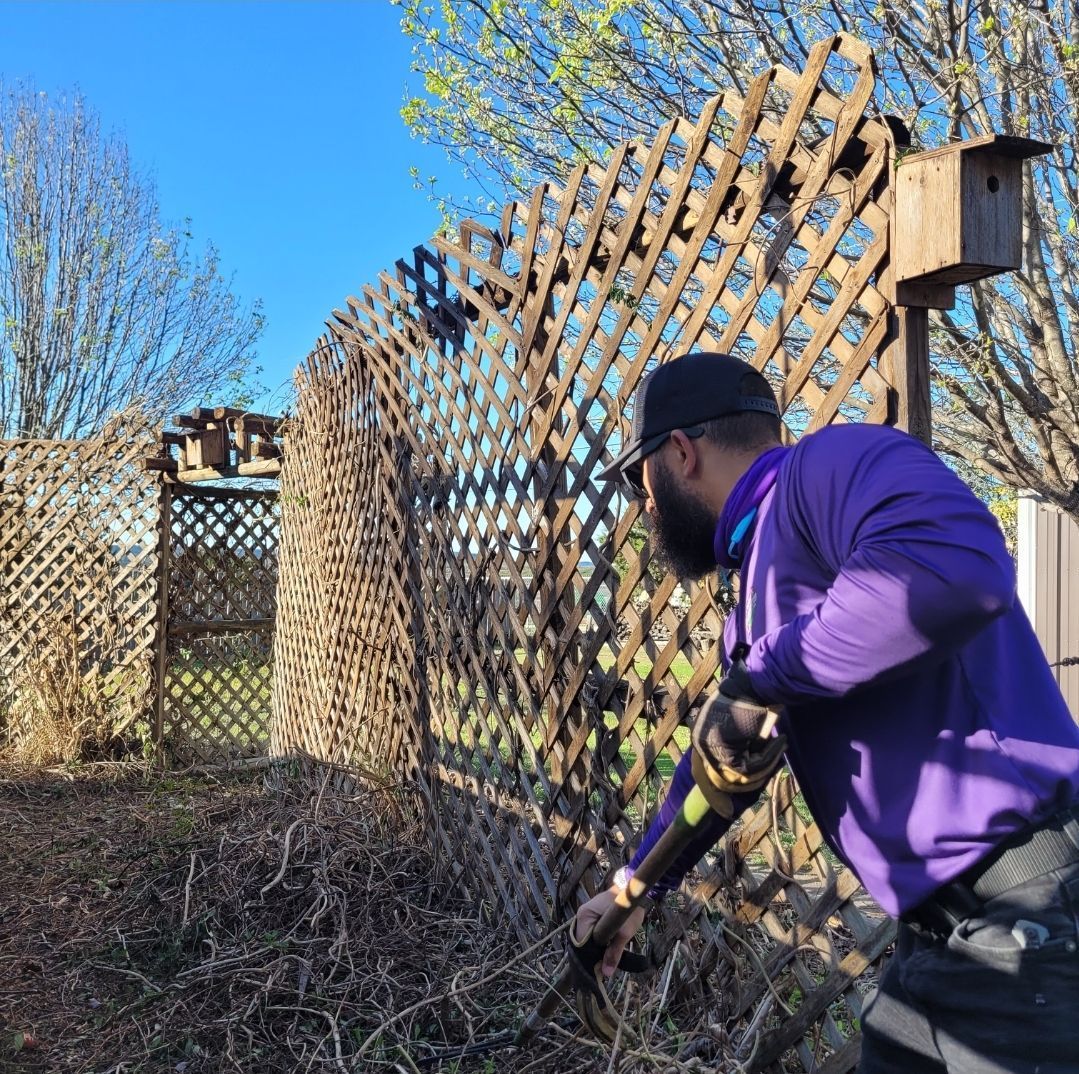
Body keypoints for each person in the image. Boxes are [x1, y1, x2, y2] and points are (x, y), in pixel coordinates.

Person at [575, 351, 1079, 1073]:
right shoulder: (755, 585)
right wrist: (632, 891)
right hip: (939, 941)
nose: (644, 504)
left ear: (678, 454)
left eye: (637, 480)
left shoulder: (831, 466)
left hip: (1029, 916)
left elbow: (951, 571)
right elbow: (722, 764)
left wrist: (764, 677)